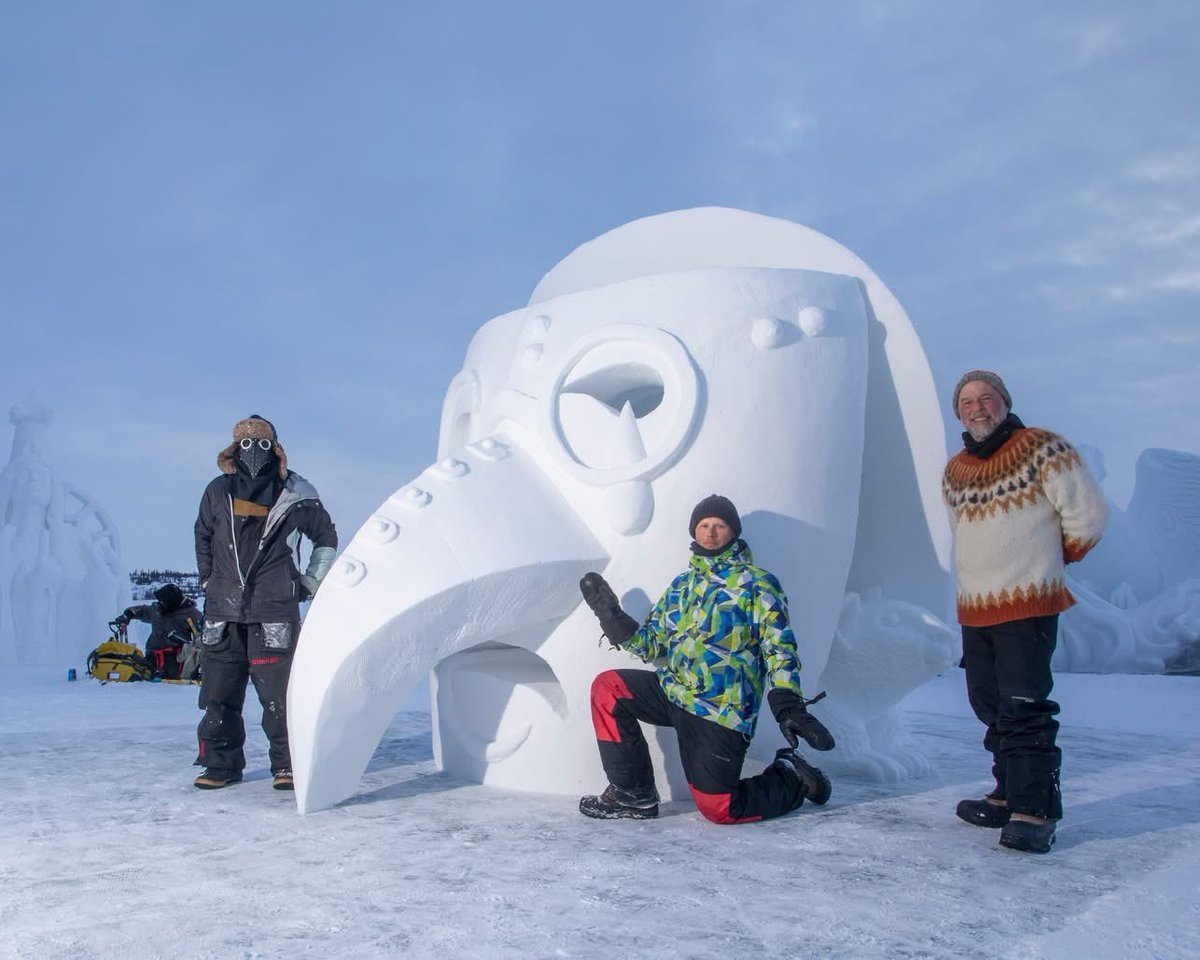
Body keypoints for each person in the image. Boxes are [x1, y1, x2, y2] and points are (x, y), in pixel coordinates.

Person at [577, 494, 835, 823]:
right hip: (674, 692)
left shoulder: (757, 584)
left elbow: (779, 646)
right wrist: (611, 617)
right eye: (703, 525)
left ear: (733, 532)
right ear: (694, 532)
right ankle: (632, 794)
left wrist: (788, 702)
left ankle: (792, 777)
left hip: (720, 710)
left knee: (720, 809)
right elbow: (652, 646)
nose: (710, 532)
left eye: (719, 525)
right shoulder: (682, 586)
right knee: (609, 687)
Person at [944, 371, 1107, 853]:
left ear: (1004, 403)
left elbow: (1089, 517)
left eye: (986, 399)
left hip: (1025, 603)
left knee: (1024, 707)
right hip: (976, 607)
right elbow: (963, 533)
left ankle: (1034, 810)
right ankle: (1007, 793)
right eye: (967, 401)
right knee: (989, 704)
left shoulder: (1043, 447)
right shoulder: (955, 470)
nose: (977, 407)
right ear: (959, 413)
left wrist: (1050, 563)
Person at [193, 415, 337, 792]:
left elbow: (325, 536)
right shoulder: (217, 491)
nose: (252, 450)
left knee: (280, 696)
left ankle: (288, 764)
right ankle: (220, 764)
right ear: (233, 448)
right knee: (219, 696)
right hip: (222, 612)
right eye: (244, 443)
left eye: (260, 443)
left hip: (274, 609)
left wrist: (309, 582)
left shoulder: (294, 494)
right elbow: (203, 534)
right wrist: (208, 578)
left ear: (274, 448)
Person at [116, 583, 202, 680]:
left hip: (176, 661)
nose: (160, 602)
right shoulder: (157, 611)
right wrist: (127, 615)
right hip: (151, 657)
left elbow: (202, 638)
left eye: (163, 601)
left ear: (171, 600)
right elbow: (140, 610)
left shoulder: (191, 614)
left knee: (169, 687)